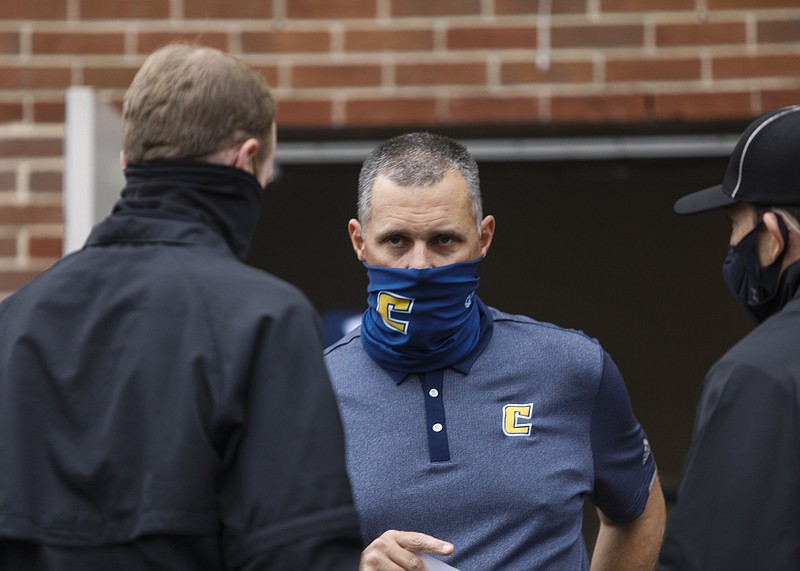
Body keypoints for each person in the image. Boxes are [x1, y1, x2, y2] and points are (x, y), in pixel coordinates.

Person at [0, 43, 362, 570]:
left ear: (128, 164)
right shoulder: (265, 319)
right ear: (247, 159)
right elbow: (298, 552)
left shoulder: (15, 321)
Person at [324, 131, 666, 570]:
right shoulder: (311, 394)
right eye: (396, 241)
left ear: (483, 238)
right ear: (359, 241)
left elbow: (638, 509)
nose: (420, 266)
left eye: (445, 240)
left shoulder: (571, 368)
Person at [657, 106, 800, 570]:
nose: (734, 246)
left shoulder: (761, 374)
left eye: (735, 225)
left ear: (775, 235)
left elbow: (719, 557)